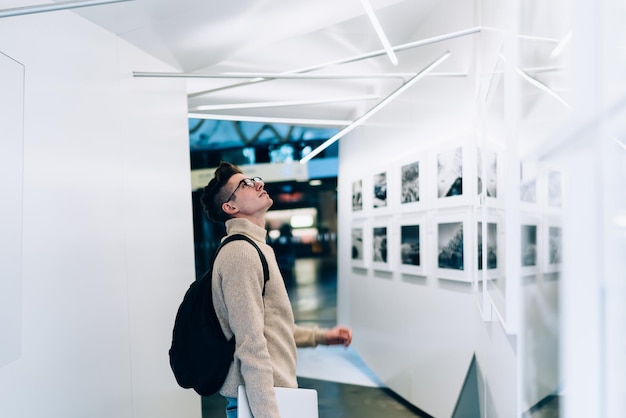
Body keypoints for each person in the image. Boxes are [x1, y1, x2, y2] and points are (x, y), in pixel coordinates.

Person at [200, 162, 352, 418]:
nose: (258, 183)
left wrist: (322, 337)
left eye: (254, 179)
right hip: (259, 402)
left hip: (270, 397)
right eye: (245, 184)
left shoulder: (256, 248)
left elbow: (271, 327)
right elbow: (251, 345)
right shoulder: (241, 253)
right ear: (230, 207)